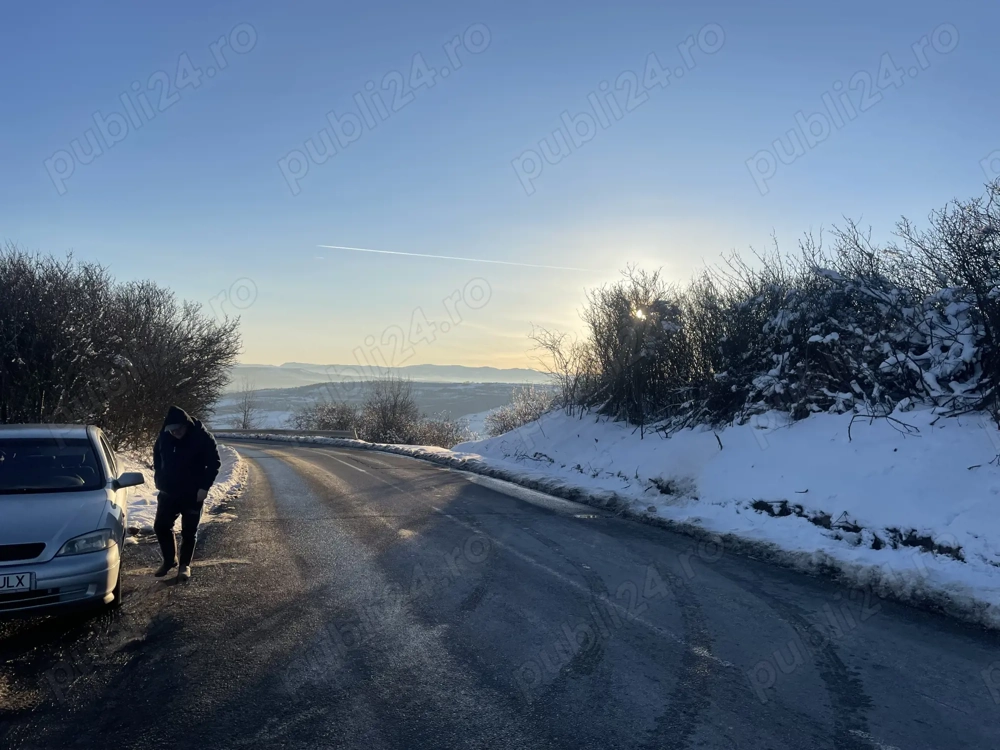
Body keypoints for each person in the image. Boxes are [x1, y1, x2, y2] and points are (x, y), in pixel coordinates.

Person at [152, 405, 221, 582]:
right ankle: (169, 560)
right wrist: (159, 479)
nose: (174, 433)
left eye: (177, 429)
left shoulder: (202, 437)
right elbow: (157, 456)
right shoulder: (164, 436)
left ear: (186, 424)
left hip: (193, 492)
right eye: (171, 430)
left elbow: (214, 463)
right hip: (169, 491)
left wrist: (204, 488)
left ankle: (184, 566)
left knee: (189, 531)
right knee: (161, 526)